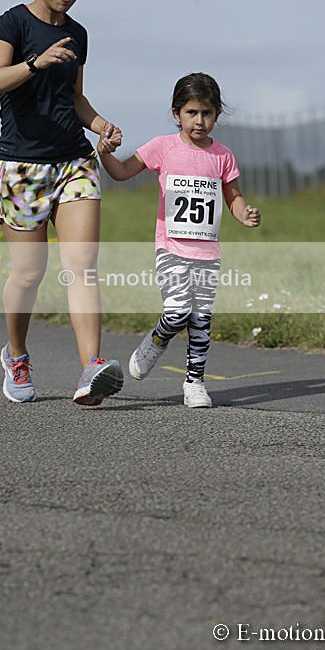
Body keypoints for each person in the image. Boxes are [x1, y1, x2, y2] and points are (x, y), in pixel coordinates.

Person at [0, 0, 124, 405]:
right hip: (21, 166)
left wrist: (101, 124)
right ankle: (17, 355)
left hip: (74, 160)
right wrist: (36, 63)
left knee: (82, 266)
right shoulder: (13, 22)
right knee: (28, 273)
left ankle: (91, 368)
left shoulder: (79, 33)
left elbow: (76, 98)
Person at [97, 73, 261, 408]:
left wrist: (243, 213)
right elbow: (122, 171)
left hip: (207, 252)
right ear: (176, 114)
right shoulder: (162, 147)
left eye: (207, 114)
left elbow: (234, 196)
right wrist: (104, 154)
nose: (200, 121)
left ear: (216, 114)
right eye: (192, 113)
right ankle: (156, 340)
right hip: (171, 247)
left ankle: (195, 382)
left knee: (201, 318)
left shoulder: (223, 156)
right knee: (177, 312)